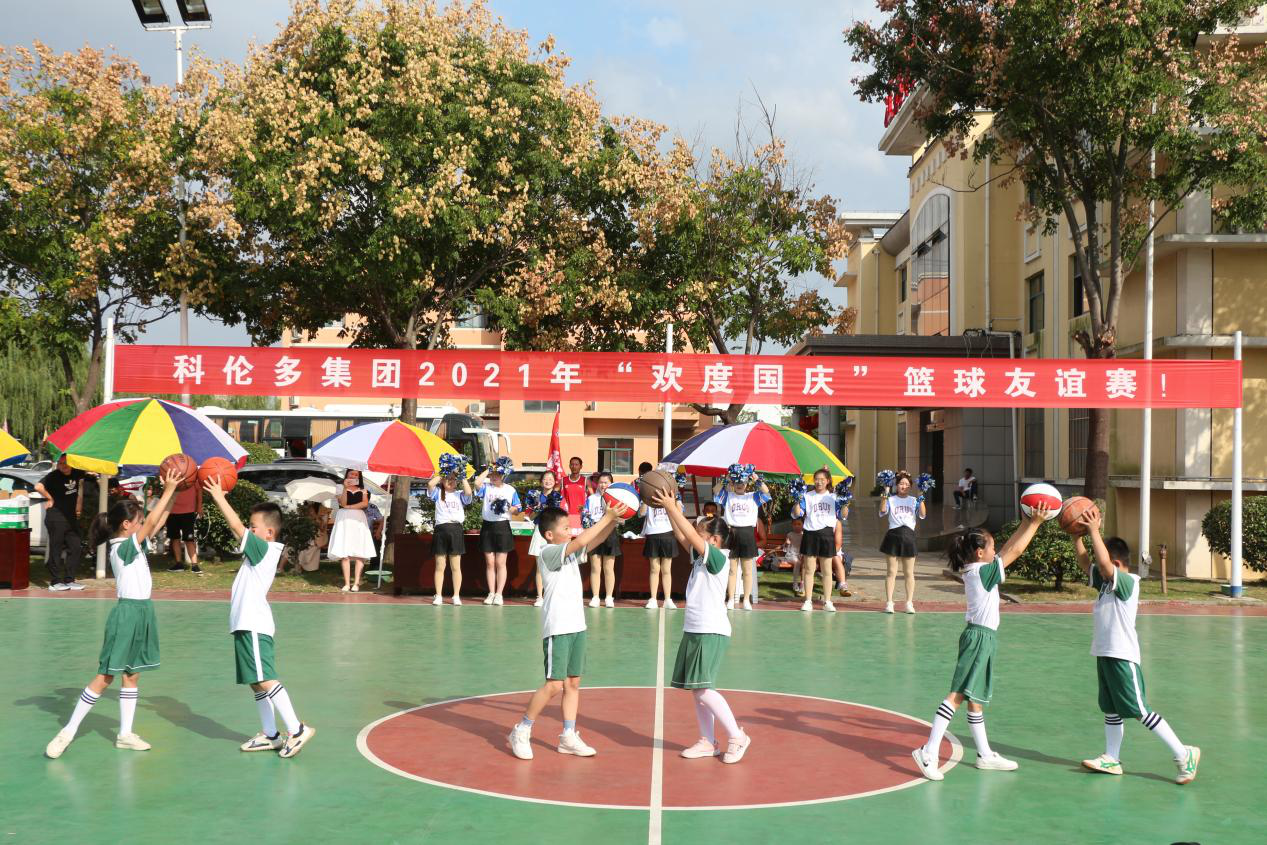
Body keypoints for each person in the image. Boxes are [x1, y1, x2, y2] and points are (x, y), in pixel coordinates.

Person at [44, 468, 182, 759]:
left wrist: (175, 492)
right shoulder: (121, 547)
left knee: (132, 675)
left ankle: (125, 734)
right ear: (127, 525)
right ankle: (67, 732)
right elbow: (152, 521)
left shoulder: (134, 542)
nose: (143, 525)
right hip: (127, 614)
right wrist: (168, 489)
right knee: (105, 675)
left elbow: (159, 520)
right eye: (138, 522)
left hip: (144, 612)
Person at [910, 503, 1051, 781]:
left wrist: (1026, 521)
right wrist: (1035, 524)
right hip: (978, 638)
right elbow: (1014, 552)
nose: (995, 552)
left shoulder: (978, 568)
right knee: (957, 695)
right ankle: (928, 751)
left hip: (984, 638)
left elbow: (1006, 549)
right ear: (979, 552)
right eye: (991, 548)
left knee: (975, 700)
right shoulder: (982, 572)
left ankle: (984, 754)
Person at [1074, 510, 1200, 784]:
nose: (1100, 566)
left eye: (1105, 562)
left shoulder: (1128, 582)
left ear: (1116, 563)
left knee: (1140, 710)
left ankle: (1183, 753)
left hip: (1122, 656)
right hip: (1105, 654)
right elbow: (1087, 564)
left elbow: (1103, 564)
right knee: (1110, 708)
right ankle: (1112, 758)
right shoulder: (1106, 582)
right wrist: (1077, 537)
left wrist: (1094, 531)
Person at [204, 477, 315, 759]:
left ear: (269, 532)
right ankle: (271, 734)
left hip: (253, 624)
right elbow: (240, 530)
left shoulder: (264, 548)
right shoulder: (259, 550)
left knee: (265, 678)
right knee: (256, 681)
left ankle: (297, 729)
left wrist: (219, 497)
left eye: (254, 527)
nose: (249, 530)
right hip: (245, 624)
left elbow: (235, 527)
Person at [507, 504, 622, 761]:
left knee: (573, 683)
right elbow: (581, 540)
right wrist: (607, 517)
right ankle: (521, 730)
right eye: (565, 528)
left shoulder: (568, 553)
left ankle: (568, 736)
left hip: (577, 625)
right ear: (550, 534)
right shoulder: (548, 552)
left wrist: (614, 522)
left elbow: (593, 542)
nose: (570, 531)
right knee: (554, 685)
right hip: (557, 627)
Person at [650, 487, 751, 764]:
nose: (696, 535)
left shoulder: (718, 557)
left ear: (714, 540)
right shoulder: (701, 557)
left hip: (711, 629)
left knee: (704, 689)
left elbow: (690, 535)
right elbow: (684, 536)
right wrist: (669, 508)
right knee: (697, 689)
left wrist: (672, 507)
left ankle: (737, 736)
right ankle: (708, 741)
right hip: (695, 628)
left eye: (701, 533)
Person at [713, 466, 771, 610]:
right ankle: (731, 599)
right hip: (732, 532)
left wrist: (755, 478)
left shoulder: (753, 496)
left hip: (747, 533)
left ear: (747, 483)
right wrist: (726, 478)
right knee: (732, 570)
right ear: (733, 483)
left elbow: (766, 492)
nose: (740, 485)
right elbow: (716, 490)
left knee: (747, 570)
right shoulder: (728, 496)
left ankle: (746, 599)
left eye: (743, 482)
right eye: (737, 482)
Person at [791, 468, 843, 613]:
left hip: (827, 534)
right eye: (816, 479)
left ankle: (828, 601)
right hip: (810, 534)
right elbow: (797, 514)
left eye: (822, 479)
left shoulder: (834, 497)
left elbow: (843, 514)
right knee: (809, 569)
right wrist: (797, 499)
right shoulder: (807, 496)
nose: (819, 482)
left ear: (828, 481)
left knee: (827, 570)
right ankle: (808, 601)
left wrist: (845, 502)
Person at [35, 455, 88, 591]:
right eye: (60, 463)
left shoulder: (77, 472)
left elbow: (87, 472)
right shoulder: (53, 476)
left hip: (71, 519)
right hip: (56, 518)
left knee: (75, 547)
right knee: (56, 549)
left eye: (66, 463)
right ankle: (55, 582)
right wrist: (50, 498)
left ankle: (69, 580)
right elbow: (38, 486)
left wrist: (79, 504)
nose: (63, 466)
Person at [878, 471, 926, 614]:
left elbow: (923, 514)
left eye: (906, 484)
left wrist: (921, 495)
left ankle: (909, 603)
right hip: (893, 535)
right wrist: (886, 491)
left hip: (909, 537)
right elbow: (882, 510)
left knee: (909, 572)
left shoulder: (914, 500)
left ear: (910, 486)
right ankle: (889, 602)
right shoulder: (891, 499)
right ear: (896, 485)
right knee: (891, 571)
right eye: (901, 483)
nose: (903, 486)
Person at [475, 459, 521, 605]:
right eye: (492, 474)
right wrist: (489, 469)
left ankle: (499, 594)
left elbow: (517, 509)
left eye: (497, 474)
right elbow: (477, 483)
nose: (493, 477)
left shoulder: (510, 490)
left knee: (500, 563)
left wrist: (508, 508)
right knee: (490, 562)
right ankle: (491, 592)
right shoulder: (486, 487)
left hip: (502, 526)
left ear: (503, 475)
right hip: (487, 526)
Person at [428, 471, 473, 606]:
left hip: (456, 530)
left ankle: (456, 595)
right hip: (441, 530)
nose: (450, 481)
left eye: (453, 479)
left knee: (456, 566)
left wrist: (462, 476)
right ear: (442, 481)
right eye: (447, 479)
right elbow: (430, 484)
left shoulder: (459, 494)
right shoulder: (437, 493)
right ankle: (438, 595)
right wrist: (443, 473)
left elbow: (469, 492)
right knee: (440, 565)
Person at [327, 469, 375, 592]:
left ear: (359, 477)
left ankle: (356, 583)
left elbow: (364, 504)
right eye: (351, 474)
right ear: (347, 475)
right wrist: (345, 487)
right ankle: (347, 583)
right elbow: (342, 502)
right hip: (344, 519)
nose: (353, 476)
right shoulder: (340, 488)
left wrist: (349, 507)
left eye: (356, 474)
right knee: (344, 551)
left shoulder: (364, 489)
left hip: (358, 519)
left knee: (360, 552)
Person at [527, 470, 565, 607]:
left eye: (551, 479)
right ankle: (540, 596)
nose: (548, 481)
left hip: (554, 532)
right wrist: (537, 508)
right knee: (540, 566)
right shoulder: (535, 496)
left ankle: (553, 595)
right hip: (540, 530)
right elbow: (530, 517)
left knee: (555, 565)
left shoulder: (557, 497)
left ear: (555, 482)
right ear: (541, 481)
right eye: (545, 479)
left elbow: (560, 517)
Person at [583, 472, 621, 608]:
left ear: (611, 484)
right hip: (594, 533)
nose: (603, 485)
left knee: (608, 568)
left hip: (610, 534)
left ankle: (609, 597)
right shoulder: (591, 498)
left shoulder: (617, 499)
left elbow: (621, 518)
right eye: (600, 482)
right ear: (597, 484)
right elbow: (585, 516)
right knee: (595, 567)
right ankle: (595, 597)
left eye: (606, 482)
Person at [640, 491, 678, 610]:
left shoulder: (671, 497)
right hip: (653, 534)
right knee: (654, 569)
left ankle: (668, 599)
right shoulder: (648, 497)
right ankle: (653, 599)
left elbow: (679, 514)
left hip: (668, 534)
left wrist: (674, 500)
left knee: (666, 570)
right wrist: (645, 500)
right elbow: (641, 513)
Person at [165, 476, 203, 574]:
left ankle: (195, 565)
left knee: (189, 539)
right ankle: (179, 564)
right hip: (172, 511)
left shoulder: (193, 475)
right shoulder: (171, 475)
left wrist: (199, 506)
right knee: (175, 538)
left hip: (188, 511)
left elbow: (199, 491)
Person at [785, 517, 804, 594]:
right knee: (797, 562)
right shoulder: (790, 534)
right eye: (794, 524)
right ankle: (795, 583)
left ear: (803, 525)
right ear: (792, 525)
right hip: (790, 555)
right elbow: (785, 548)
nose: (797, 526)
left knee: (803, 562)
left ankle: (803, 584)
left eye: (799, 524)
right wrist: (787, 543)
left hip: (800, 555)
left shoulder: (804, 535)